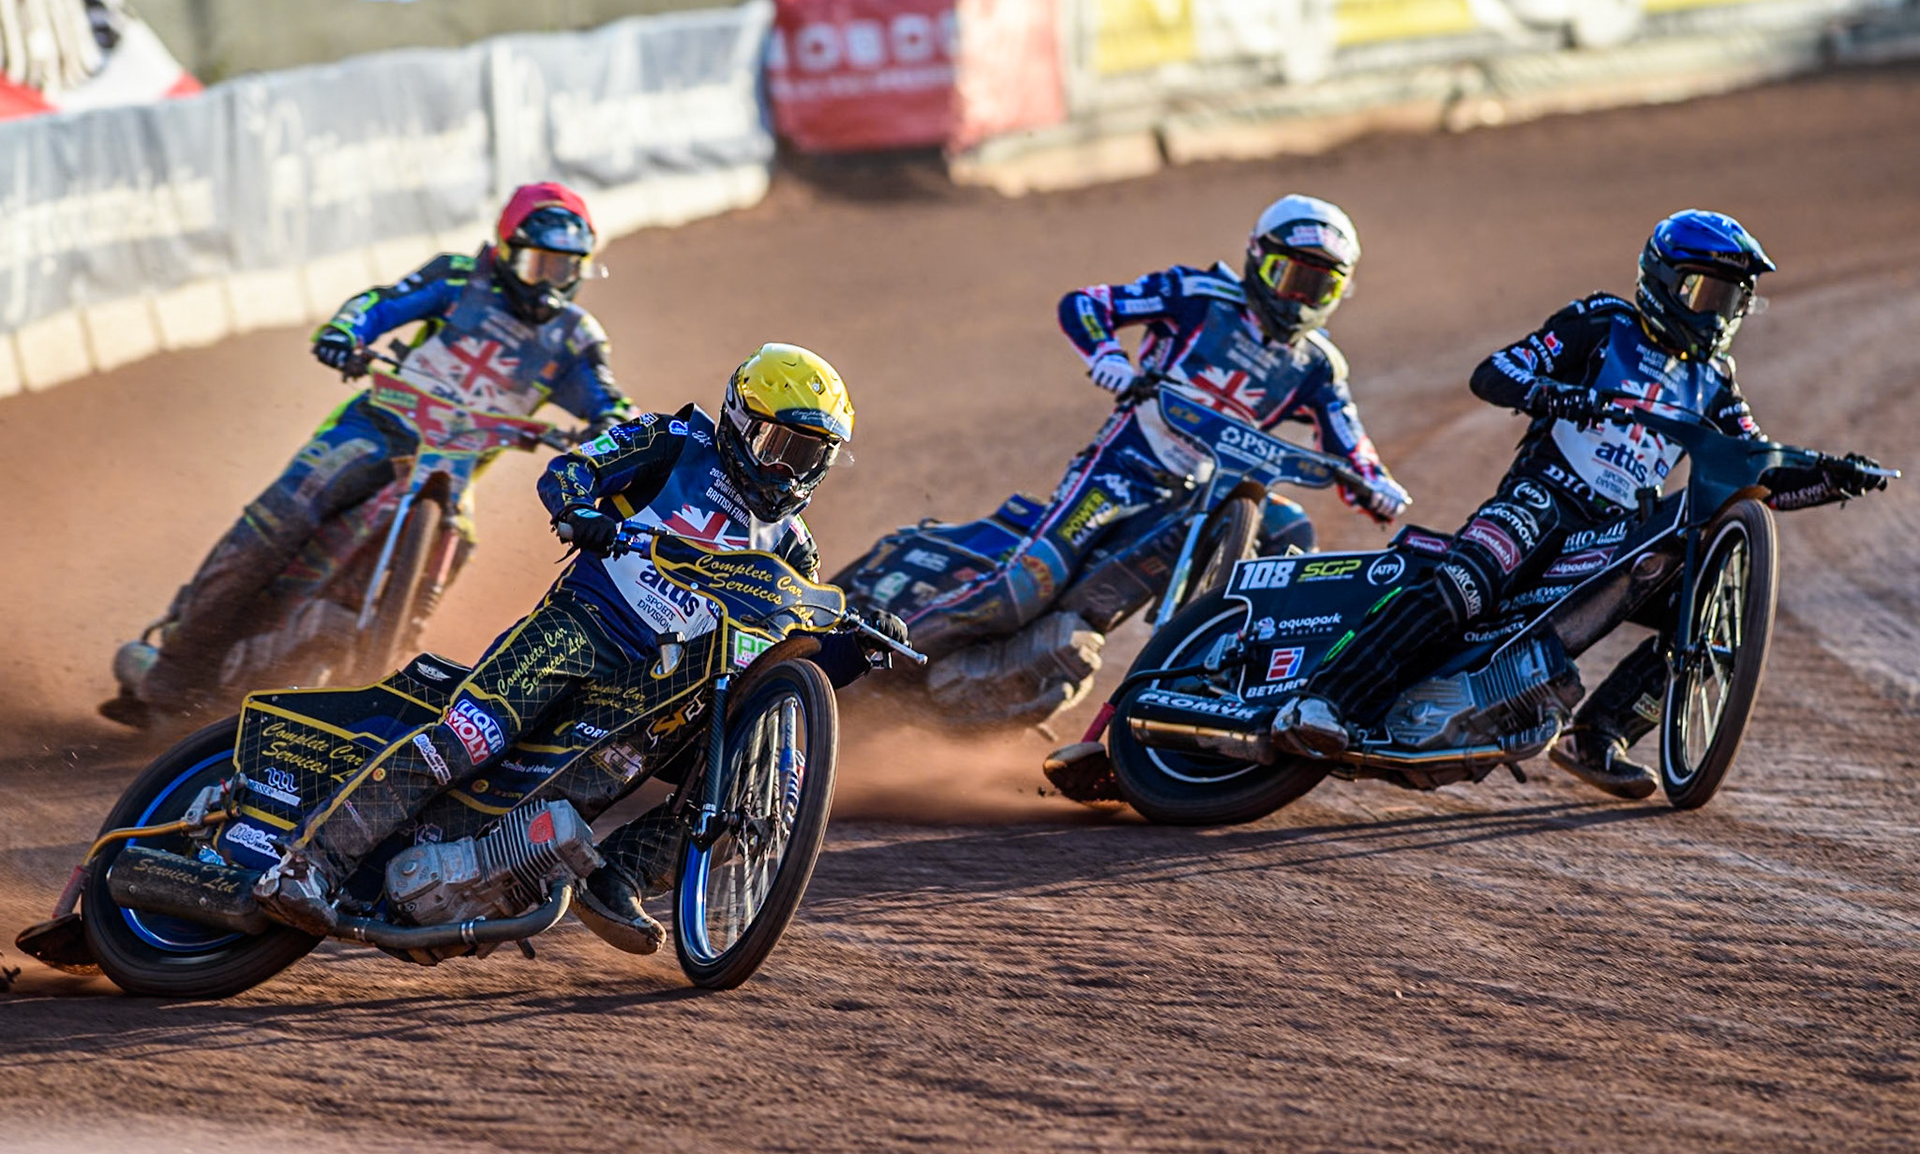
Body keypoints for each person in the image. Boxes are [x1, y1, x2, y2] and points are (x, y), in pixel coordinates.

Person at [252, 343, 894, 951]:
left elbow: (781, 660)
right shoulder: (674, 440)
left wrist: (852, 652)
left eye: (810, 456)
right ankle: (307, 864)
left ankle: (616, 878)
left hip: (660, 685)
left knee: (741, 784)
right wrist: (580, 510)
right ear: (736, 418)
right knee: (468, 737)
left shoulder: (794, 548)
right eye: (778, 445)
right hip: (583, 626)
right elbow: (573, 469)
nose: (788, 469)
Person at [1271, 209, 1888, 797]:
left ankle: (1598, 737)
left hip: (1616, 536)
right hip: (1542, 499)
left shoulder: (1717, 381)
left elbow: (1748, 470)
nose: (1718, 315)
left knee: (1698, 616)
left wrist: (1830, 477)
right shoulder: (1601, 322)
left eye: (1732, 300)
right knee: (1467, 583)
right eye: (1707, 294)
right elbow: (1493, 373)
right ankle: (1324, 700)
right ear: (1666, 283)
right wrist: (1558, 396)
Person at [104, 181, 635, 728]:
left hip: (453, 468)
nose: (549, 283)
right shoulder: (457, 277)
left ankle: (386, 652)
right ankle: (176, 665)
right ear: (504, 250)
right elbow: (378, 303)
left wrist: (610, 427)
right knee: (284, 516)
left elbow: (608, 397)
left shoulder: (576, 337)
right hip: (377, 427)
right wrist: (344, 332)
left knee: (462, 541)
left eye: (565, 269)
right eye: (537, 264)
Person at [903, 194, 1410, 705]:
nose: (1300, 299)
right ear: (1257, 258)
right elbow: (1086, 304)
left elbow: (1349, 440)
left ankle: (1236, 679)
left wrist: (1377, 484)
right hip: (1124, 468)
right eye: (1290, 277)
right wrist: (1108, 357)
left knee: (1291, 526)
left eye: (1321, 286)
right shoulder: (1196, 294)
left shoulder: (1319, 367)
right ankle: (878, 652)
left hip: (1212, 492)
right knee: (1026, 587)